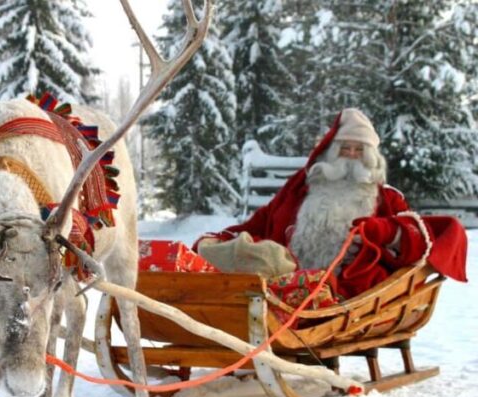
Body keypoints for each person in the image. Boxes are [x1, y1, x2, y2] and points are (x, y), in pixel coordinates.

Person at [195, 108, 468, 298]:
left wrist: (381, 230)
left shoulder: (386, 197)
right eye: (344, 148)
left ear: (370, 155)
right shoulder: (300, 189)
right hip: (283, 281)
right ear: (329, 152)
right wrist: (222, 239)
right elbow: (263, 221)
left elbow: (417, 240)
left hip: (345, 291)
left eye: (359, 149)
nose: (351, 155)